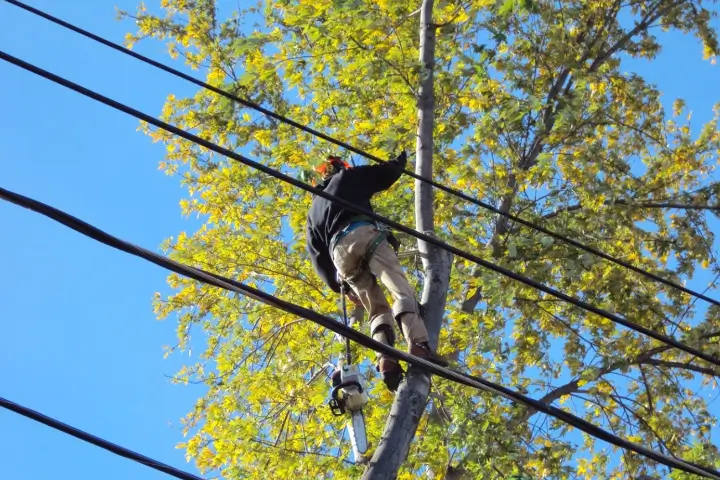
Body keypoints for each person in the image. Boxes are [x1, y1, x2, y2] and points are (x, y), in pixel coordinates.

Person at [305, 152, 447, 392]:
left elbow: (316, 254)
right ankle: (418, 344)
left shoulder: (313, 211)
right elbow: (381, 175)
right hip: (362, 232)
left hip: (339, 255)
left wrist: (338, 284)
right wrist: (399, 161)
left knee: (376, 309)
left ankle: (386, 359)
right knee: (399, 289)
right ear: (338, 168)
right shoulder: (346, 178)